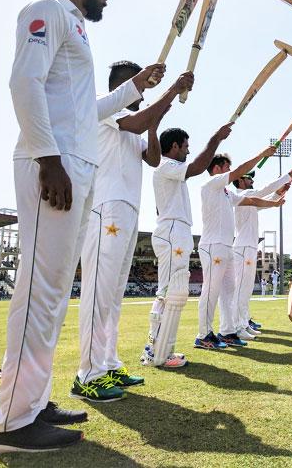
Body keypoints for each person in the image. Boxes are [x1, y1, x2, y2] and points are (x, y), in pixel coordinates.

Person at [0, 0, 166, 454]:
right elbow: (24, 83)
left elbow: (86, 110)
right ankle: (9, 423)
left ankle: (31, 404)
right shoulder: (48, 11)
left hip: (74, 166)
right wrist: (48, 159)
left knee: (54, 295)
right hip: (55, 167)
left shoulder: (76, 28)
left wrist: (136, 87)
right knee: (40, 292)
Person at [72, 65, 194, 401]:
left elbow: (153, 158)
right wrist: (171, 90)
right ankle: (87, 374)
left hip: (126, 210)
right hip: (105, 207)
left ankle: (108, 364)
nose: (147, 85)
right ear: (122, 85)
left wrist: (155, 124)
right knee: (98, 292)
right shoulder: (103, 105)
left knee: (112, 296)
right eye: (140, 79)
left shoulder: (133, 124)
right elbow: (138, 120)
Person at [141, 123, 233, 368]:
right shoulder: (166, 165)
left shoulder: (170, 169)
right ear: (174, 146)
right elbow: (196, 168)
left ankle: (158, 349)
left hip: (174, 230)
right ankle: (157, 353)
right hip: (172, 231)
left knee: (171, 291)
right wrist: (216, 138)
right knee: (170, 291)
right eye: (185, 147)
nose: (188, 151)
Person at [195, 149, 284, 349]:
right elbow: (240, 173)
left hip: (226, 247)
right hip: (212, 245)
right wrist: (263, 154)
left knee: (228, 291)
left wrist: (274, 204)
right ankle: (203, 334)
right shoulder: (210, 184)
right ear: (216, 169)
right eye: (227, 167)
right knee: (211, 290)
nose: (231, 171)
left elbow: (251, 201)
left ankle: (227, 332)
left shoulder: (228, 193)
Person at [232, 167, 292, 339]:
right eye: (249, 179)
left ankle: (244, 323)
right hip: (243, 247)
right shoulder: (242, 196)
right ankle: (237, 326)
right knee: (241, 288)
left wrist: (279, 192)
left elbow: (267, 199)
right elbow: (264, 191)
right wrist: (288, 176)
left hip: (250, 246)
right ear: (240, 181)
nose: (252, 181)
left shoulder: (250, 200)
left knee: (246, 289)